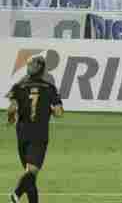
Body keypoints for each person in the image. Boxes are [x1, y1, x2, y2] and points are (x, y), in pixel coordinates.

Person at [7, 56, 64, 203]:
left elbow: (12, 109)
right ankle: (16, 194)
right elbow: (59, 113)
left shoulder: (18, 86)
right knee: (31, 173)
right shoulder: (49, 87)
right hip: (39, 134)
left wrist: (11, 119)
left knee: (30, 175)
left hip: (22, 134)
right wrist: (49, 110)